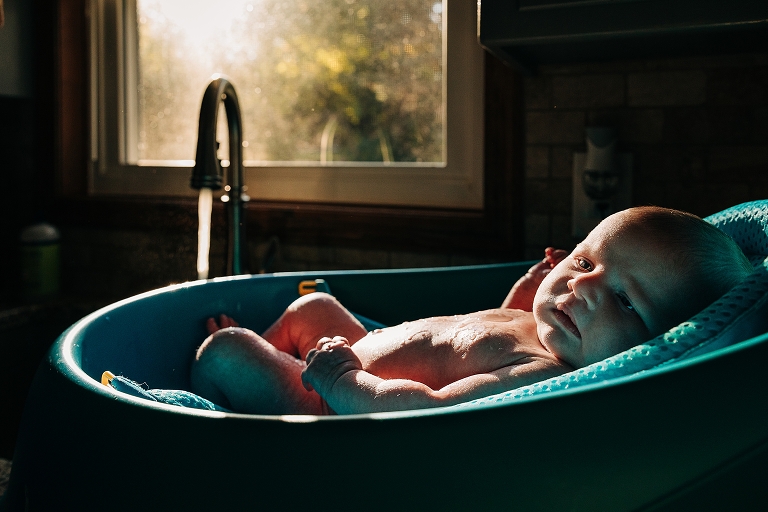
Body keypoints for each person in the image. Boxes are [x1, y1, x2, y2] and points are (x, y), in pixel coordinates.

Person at [190, 206, 753, 415]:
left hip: (326, 400)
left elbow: (425, 407)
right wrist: (521, 293)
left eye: (627, 301)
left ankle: (251, 390)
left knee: (224, 351)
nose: (582, 291)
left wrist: (340, 381)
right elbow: (488, 324)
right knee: (314, 303)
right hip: (363, 342)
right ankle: (270, 350)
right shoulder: (554, 326)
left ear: (658, 342)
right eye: (583, 265)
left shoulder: (543, 375)